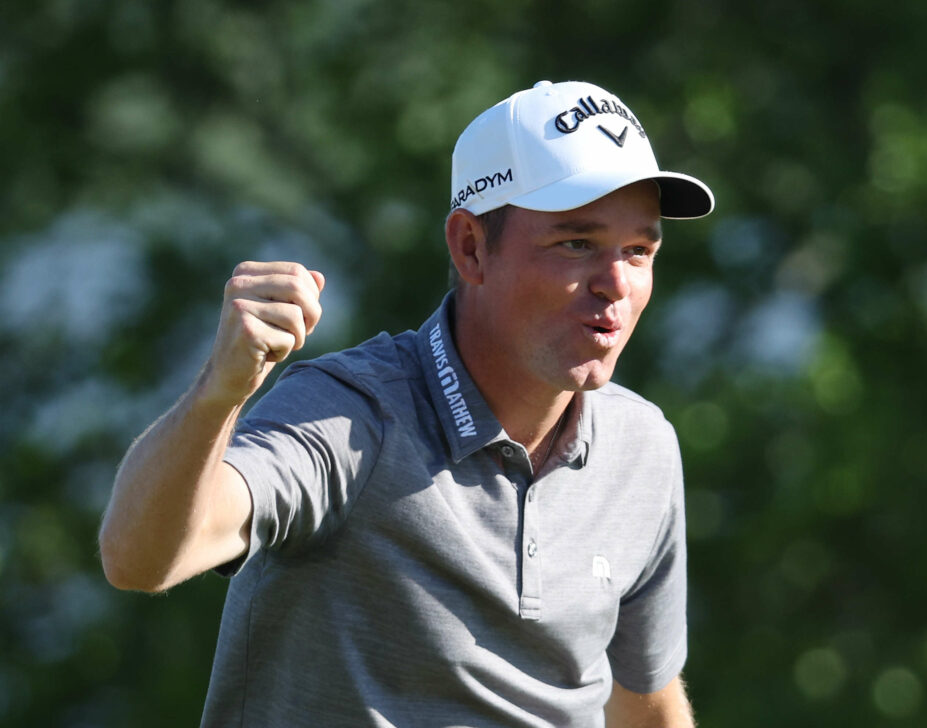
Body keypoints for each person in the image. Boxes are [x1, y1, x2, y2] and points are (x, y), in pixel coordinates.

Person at [99, 79, 714, 727]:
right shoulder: (349, 415)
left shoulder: (643, 444)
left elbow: (646, 706)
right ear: (471, 247)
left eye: (639, 251)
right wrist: (218, 393)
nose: (615, 284)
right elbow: (140, 558)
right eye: (576, 244)